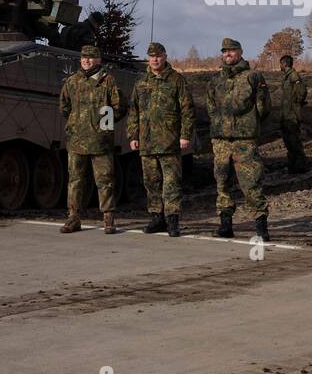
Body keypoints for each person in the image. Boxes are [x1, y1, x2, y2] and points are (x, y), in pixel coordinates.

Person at [205, 38, 271, 241]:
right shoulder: (215, 79)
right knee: (222, 183)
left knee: (251, 183)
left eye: (232, 51)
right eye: (225, 51)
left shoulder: (253, 76)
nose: (228, 54)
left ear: (240, 52)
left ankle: (260, 226)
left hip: (245, 140)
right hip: (221, 141)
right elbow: (210, 106)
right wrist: (220, 125)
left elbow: (263, 106)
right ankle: (225, 224)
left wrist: (249, 124)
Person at [128, 42, 195, 238]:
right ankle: (157, 218)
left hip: (170, 141)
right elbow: (134, 111)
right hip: (147, 142)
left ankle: (172, 220)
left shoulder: (176, 80)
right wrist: (133, 135)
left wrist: (185, 135)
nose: (155, 59)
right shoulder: (141, 82)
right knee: (151, 182)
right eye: (151, 56)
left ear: (165, 56)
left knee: (171, 183)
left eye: (158, 55)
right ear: (148, 59)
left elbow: (187, 110)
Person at [58, 44, 125, 234]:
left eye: (91, 57)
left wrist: (103, 125)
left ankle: (108, 218)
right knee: (75, 181)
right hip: (76, 140)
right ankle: (74, 218)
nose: (86, 60)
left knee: (105, 181)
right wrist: (75, 123)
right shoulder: (72, 81)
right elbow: (64, 106)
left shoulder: (107, 81)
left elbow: (119, 107)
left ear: (99, 60)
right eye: (83, 57)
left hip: (100, 141)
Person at [278, 54, 308, 173]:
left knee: (294, 140)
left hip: (292, 113)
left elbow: (302, 90)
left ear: (284, 64)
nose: (280, 66)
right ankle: (293, 165)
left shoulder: (293, 75)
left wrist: (297, 103)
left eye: (280, 63)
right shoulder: (287, 76)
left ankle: (300, 166)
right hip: (286, 113)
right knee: (288, 140)